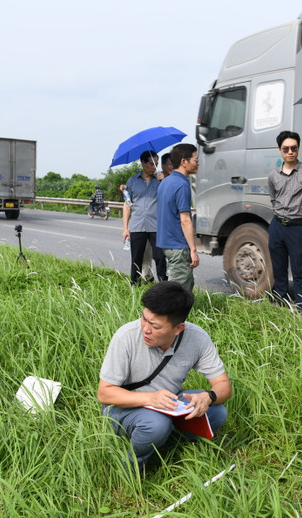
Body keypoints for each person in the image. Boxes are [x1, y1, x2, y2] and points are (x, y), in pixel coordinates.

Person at [98, 281, 231, 471]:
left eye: (155, 326)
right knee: (156, 424)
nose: (145, 329)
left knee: (218, 413)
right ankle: (132, 464)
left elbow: (223, 385)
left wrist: (208, 397)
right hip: (125, 408)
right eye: (144, 319)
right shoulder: (125, 336)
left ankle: (168, 445)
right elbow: (104, 394)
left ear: (178, 329)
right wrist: (150, 399)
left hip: (168, 405)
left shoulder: (197, 338)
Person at [267, 131, 302, 310]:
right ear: (280, 150)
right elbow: (274, 198)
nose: (290, 151)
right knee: (279, 270)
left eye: (294, 148)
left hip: (297, 228)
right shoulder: (273, 175)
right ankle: (280, 306)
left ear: (298, 149)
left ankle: (301, 309)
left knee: (299, 272)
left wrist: (300, 212)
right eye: (286, 149)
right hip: (277, 226)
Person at [156, 143, 200, 290]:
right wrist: (193, 250)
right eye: (195, 159)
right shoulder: (182, 184)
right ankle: (161, 313)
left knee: (186, 286)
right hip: (178, 245)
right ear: (184, 161)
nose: (197, 163)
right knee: (176, 293)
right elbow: (185, 220)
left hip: (166, 243)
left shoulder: (165, 182)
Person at [122, 150, 167, 284]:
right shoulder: (132, 181)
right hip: (137, 226)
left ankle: (164, 285)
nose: (154, 167)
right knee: (136, 258)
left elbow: (169, 199)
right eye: (151, 164)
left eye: (156, 164)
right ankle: (134, 285)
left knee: (160, 258)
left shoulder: (161, 180)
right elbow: (127, 204)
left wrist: (164, 181)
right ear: (142, 163)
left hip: (156, 226)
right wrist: (125, 228)